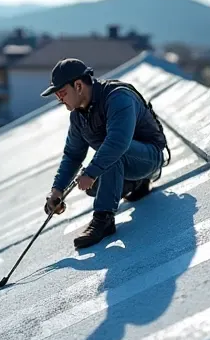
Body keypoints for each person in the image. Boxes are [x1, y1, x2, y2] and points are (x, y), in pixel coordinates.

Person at [41, 58, 170, 249]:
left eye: (61, 93)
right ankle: (137, 184)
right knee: (93, 187)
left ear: (78, 86)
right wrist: (57, 190)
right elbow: (73, 155)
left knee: (109, 156)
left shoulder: (118, 98)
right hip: (120, 158)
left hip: (149, 156)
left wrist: (91, 173)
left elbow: (117, 143)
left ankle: (104, 219)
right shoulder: (77, 116)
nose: (60, 99)